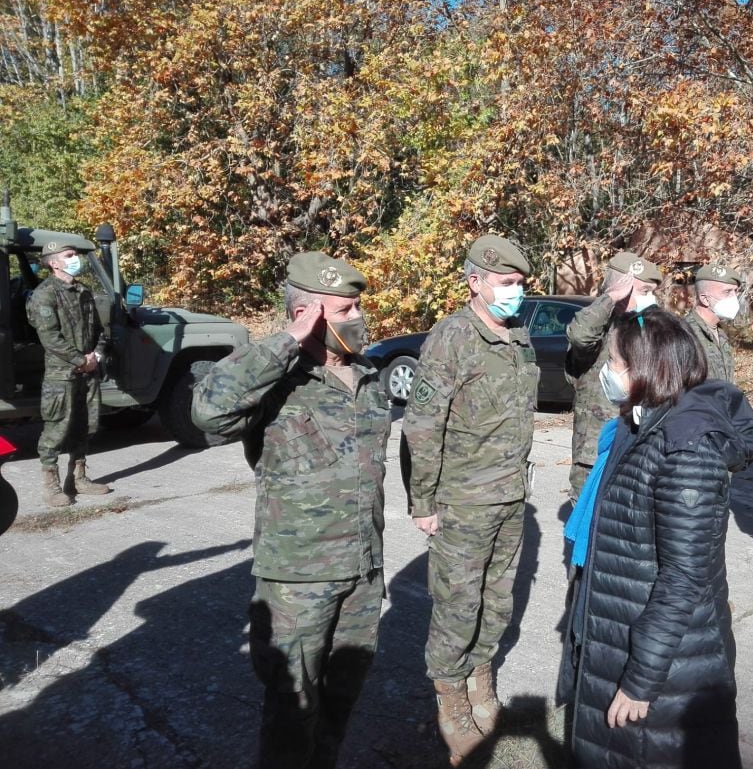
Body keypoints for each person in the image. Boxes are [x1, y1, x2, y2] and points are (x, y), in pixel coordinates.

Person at [191, 251, 389, 769]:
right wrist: (286, 342)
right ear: (308, 314)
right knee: (292, 706)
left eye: (358, 306)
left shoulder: (368, 378)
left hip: (364, 571)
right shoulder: (276, 380)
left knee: (343, 695)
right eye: (343, 310)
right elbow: (209, 413)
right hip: (298, 577)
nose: (358, 318)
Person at [566, 310, 753, 769]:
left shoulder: (685, 447)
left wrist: (641, 679)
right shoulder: (642, 423)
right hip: (624, 625)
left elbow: (683, 576)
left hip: (666, 659)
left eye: (615, 361)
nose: (607, 371)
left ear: (646, 367)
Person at [399, 234, 537, 766]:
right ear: (475, 282)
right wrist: (423, 503)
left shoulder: (519, 334)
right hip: (462, 500)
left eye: (520, 284)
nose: (516, 293)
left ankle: (482, 681)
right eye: (507, 284)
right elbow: (422, 426)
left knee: (498, 600)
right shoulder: (452, 336)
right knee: (458, 606)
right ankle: (450, 700)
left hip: (509, 496)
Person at [565, 251, 662, 501]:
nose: (651, 298)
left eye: (653, 291)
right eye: (643, 290)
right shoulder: (600, 328)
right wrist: (610, 297)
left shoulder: (646, 329)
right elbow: (580, 335)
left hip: (637, 444)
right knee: (589, 525)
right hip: (596, 449)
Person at [28, 239, 110, 507]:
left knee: (86, 425)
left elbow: (98, 329)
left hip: (87, 371)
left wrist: (96, 355)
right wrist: (79, 359)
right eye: (70, 255)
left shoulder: (83, 291)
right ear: (54, 263)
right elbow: (49, 337)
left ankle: (78, 478)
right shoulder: (45, 294)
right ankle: (51, 486)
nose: (76, 259)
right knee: (57, 428)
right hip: (61, 374)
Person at [684, 262, 740, 381]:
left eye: (736, 291)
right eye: (727, 292)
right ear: (705, 299)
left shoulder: (720, 332)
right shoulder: (685, 334)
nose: (734, 297)